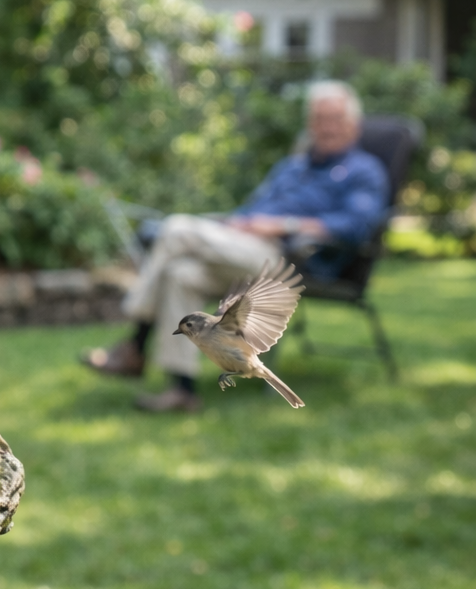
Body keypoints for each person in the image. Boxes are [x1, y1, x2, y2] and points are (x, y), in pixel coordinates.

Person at [82, 80, 390, 412]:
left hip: (287, 260)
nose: (325, 126)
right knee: (180, 272)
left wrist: (282, 225)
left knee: (175, 228)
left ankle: (135, 343)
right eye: (318, 118)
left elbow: (356, 226)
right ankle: (182, 390)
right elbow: (249, 212)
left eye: (334, 118)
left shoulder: (364, 171)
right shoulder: (292, 168)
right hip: (243, 251)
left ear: (353, 125)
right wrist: (232, 224)